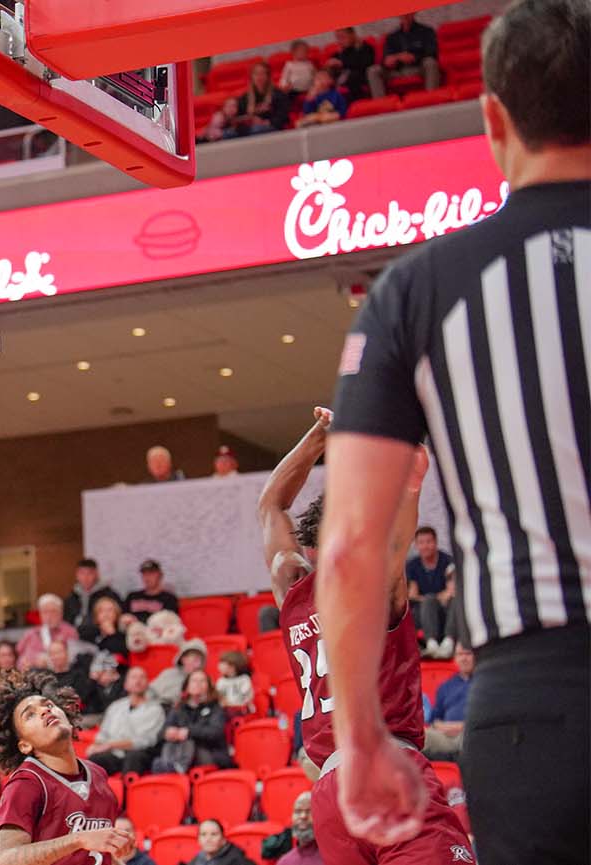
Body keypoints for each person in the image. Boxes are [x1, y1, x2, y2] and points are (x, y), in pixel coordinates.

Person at [320, 3, 589, 856]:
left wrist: (361, 735)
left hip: (533, 706)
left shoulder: (419, 289)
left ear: (494, 118)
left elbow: (354, 542)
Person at [259, 408, 471, 859]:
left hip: (330, 793)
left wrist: (318, 435)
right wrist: (409, 483)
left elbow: (272, 506)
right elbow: (397, 541)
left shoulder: (293, 594)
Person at [0, 670, 130, 865]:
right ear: (24, 745)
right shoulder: (26, 784)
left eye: (49, 705)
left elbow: (100, 854)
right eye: (30, 715)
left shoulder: (97, 774)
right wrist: (78, 840)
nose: (45, 711)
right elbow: (7, 859)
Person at [83, 667, 163, 776]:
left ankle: (129, 791)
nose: (138, 681)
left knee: (134, 757)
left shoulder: (155, 709)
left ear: (147, 683)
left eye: (142, 677)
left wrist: (110, 745)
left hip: (138, 754)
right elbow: (103, 733)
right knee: (94, 760)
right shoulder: (115, 707)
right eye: (134, 677)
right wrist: (96, 745)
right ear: (126, 684)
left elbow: (145, 741)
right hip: (114, 754)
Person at [151, 670, 229, 773]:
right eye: (194, 681)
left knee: (189, 742)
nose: (198, 684)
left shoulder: (215, 708)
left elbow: (215, 732)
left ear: (209, 686)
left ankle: (175, 766)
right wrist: (168, 733)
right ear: (187, 686)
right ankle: (171, 765)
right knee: (168, 744)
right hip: (179, 752)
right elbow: (161, 734)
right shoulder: (178, 708)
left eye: (202, 681)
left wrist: (188, 732)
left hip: (208, 752)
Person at [404, 527, 456, 658]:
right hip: (424, 609)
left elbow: (451, 591)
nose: (425, 546)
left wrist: (437, 598)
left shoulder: (448, 561)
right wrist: (434, 598)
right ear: (416, 545)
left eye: (428, 542)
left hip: (446, 608)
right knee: (429, 600)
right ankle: (431, 643)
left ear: (436, 542)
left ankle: (448, 643)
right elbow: (413, 595)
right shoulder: (412, 565)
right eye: (421, 543)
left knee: (456, 601)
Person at [367, 13, 440, 99]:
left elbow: (432, 53)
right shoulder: (392, 37)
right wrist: (390, 60)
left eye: (408, 13)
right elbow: (385, 58)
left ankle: (431, 97)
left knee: (430, 62)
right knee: (373, 70)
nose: (405, 16)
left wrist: (414, 57)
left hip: (418, 67)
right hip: (397, 70)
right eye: (402, 14)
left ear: (413, 13)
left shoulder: (426, 31)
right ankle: (381, 103)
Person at [422, 647, 471, 760]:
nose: (464, 658)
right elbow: (434, 720)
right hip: (446, 735)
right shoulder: (446, 686)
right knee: (412, 737)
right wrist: (443, 726)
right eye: (460, 654)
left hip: (469, 733)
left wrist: (460, 726)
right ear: (455, 658)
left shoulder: (482, 683)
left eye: (468, 654)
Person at [63, 559, 120, 630]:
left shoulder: (109, 595)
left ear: (96, 574)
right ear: (77, 575)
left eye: (90, 573)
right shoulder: (71, 598)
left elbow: (117, 617)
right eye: (82, 573)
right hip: (75, 634)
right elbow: (66, 621)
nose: (85, 577)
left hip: (99, 633)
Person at [147, 639, 205, 704]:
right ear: (183, 659)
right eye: (194, 658)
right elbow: (150, 691)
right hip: (159, 707)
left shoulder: (203, 680)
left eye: (199, 660)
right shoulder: (169, 674)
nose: (196, 663)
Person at [122, 560, 179, 625]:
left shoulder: (169, 599)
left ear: (160, 575)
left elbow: (171, 623)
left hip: (155, 632)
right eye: (144, 574)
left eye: (151, 573)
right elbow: (122, 618)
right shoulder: (132, 596)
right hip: (133, 632)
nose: (147, 577)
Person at [325, 27, 375, 101]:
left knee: (352, 77)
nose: (340, 41)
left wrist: (342, 63)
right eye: (338, 38)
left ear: (352, 35)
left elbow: (366, 64)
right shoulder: (339, 53)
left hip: (361, 76)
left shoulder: (365, 48)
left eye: (342, 37)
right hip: (341, 78)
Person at [186, 821, 252, 865]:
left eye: (214, 834)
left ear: (223, 840)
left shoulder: (238, 860)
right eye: (203, 834)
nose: (208, 839)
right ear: (198, 840)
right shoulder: (197, 859)